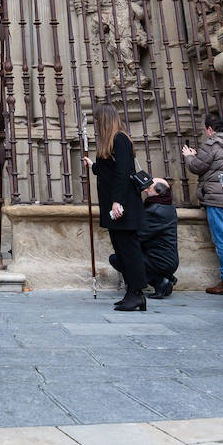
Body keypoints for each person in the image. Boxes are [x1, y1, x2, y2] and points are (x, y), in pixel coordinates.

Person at [84, 102, 146, 312]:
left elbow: (122, 174)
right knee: (121, 249)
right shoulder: (111, 142)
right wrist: (94, 166)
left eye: (98, 120)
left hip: (123, 205)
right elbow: (109, 169)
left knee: (129, 250)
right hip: (115, 206)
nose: (96, 125)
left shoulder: (120, 139)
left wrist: (117, 201)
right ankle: (132, 291)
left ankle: (137, 293)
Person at [182, 112, 223, 295]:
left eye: (205, 129)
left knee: (222, 241)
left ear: (210, 129)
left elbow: (197, 167)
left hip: (217, 198)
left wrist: (189, 156)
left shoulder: (211, 143)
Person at [139, 178, 178, 298]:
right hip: (166, 260)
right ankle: (167, 278)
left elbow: (140, 236)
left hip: (160, 261)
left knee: (119, 258)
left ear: (158, 192)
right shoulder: (168, 206)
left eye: (149, 188)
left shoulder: (156, 210)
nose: (145, 190)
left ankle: (160, 282)